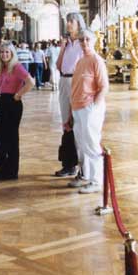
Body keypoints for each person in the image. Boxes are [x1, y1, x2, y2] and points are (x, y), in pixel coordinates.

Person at [0, 41, 34, 180]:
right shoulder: (1, 68)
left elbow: (31, 82)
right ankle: (0, 168)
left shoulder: (17, 67)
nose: (4, 54)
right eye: (2, 52)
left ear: (12, 54)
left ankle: (11, 172)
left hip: (13, 104)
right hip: (2, 103)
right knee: (0, 137)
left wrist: (18, 95)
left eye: (7, 52)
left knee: (11, 138)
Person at [66, 30, 109, 193]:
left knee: (91, 144)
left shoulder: (97, 60)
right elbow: (76, 87)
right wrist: (71, 112)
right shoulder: (81, 60)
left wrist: (93, 108)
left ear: (94, 41)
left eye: (87, 39)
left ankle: (97, 181)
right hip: (78, 107)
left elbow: (104, 87)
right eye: (81, 40)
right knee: (82, 144)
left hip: (90, 108)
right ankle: (86, 176)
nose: (84, 42)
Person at [54, 12, 86, 177]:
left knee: (78, 124)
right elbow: (58, 66)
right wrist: (62, 48)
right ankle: (68, 164)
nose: (68, 24)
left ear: (79, 23)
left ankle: (82, 167)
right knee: (66, 123)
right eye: (67, 22)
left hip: (77, 82)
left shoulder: (83, 42)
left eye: (71, 21)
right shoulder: (67, 43)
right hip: (64, 81)